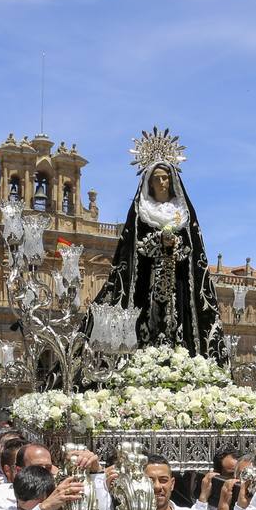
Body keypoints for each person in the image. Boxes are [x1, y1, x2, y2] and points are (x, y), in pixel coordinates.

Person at [88, 138, 225, 361]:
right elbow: (130, 250)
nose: (162, 182)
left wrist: (175, 246)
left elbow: (194, 251)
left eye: (166, 178)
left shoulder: (183, 213)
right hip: (144, 284)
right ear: (149, 183)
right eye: (157, 178)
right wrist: (157, 243)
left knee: (179, 327)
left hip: (178, 284)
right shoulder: (141, 212)